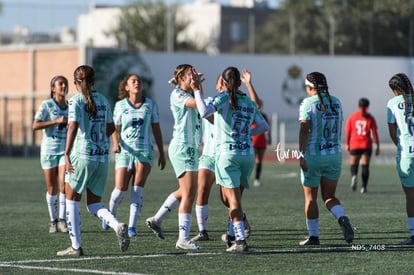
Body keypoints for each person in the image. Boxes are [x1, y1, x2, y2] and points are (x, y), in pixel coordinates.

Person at [194, 66, 269, 252]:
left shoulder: (223, 97)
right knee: (234, 199)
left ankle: (240, 241)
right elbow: (263, 126)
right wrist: (245, 133)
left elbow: (204, 112)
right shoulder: (247, 101)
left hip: (228, 155)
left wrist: (196, 89)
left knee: (232, 200)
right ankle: (230, 235)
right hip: (247, 155)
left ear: (225, 82)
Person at [57, 65, 129, 257]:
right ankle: (116, 225)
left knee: (71, 200)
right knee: (93, 203)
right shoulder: (103, 100)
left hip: (82, 156)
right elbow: (110, 127)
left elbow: (72, 127)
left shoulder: (76, 101)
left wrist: (66, 153)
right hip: (102, 157)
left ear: (75, 83)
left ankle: (75, 246)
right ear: (94, 81)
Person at [145, 64, 202, 250]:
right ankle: (183, 239)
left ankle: (157, 219)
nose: (194, 75)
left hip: (191, 147)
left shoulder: (192, 93)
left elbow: (204, 109)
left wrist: (198, 88)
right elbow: (199, 106)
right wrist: (197, 88)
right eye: (190, 73)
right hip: (182, 147)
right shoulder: (178, 94)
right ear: (181, 78)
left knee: (185, 190)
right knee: (189, 194)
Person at [103, 74, 166, 238]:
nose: (137, 83)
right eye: (133, 81)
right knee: (119, 189)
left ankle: (132, 227)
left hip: (145, 152)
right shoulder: (120, 105)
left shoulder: (150, 105)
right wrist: (115, 143)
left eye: (139, 81)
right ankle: (111, 214)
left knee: (137, 191)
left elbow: (156, 129)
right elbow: (114, 128)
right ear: (126, 87)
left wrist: (161, 152)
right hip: (125, 151)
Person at [298, 71, 354, 246]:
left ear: (309, 87)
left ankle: (314, 237)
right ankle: (342, 217)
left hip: (314, 156)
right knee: (329, 196)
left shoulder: (308, 103)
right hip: (334, 155)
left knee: (310, 198)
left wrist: (301, 155)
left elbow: (304, 131)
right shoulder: (336, 102)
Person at [33, 75, 69, 234]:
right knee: (52, 187)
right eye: (60, 84)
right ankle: (53, 221)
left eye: (65, 84)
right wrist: (56, 121)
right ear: (53, 88)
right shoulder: (46, 105)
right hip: (48, 151)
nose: (63, 86)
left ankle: (62, 220)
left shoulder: (71, 106)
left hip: (64, 151)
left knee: (64, 185)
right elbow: (35, 125)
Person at [387, 73, 414, 245]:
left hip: (406, 155)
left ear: (396, 90)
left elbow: (392, 131)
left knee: (411, 196)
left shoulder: (393, 103)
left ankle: (413, 235)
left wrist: (401, 146)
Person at [345, 98, 380, 193]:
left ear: (359, 106)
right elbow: (374, 133)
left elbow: (348, 132)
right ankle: (364, 187)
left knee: (354, 164)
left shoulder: (352, 117)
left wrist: (347, 143)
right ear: (368, 106)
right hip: (366, 144)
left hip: (355, 144)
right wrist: (377, 146)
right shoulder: (370, 118)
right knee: (365, 166)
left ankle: (354, 176)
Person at [251, 100, 270, 187]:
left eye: (261, 105)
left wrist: (269, 137)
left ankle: (257, 179)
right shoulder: (252, 114)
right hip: (253, 141)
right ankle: (249, 177)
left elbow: (267, 128)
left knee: (259, 161)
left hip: (262, 141)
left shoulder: (264, 116)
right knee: (253, 160)